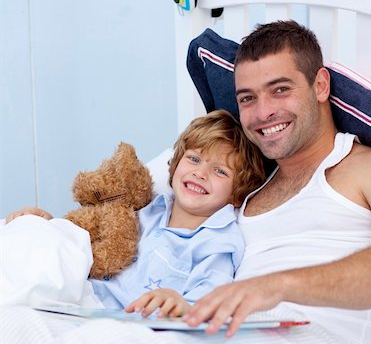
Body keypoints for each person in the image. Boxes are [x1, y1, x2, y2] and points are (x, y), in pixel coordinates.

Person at [1, 21, 371, 344]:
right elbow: (164, 229)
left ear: (320, 85)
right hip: (214, 329)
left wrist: (276, 287)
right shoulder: (244, 185)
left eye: (280, 90)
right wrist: (55, 231)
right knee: (15, 329)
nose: (263, 113)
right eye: (248, 98)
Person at [2, 109, 266, 317]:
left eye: (220, 171)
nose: (200, 173)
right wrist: (51, 226)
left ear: (237, 194)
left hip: (114, 316)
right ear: (174, 167)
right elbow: (88, 239)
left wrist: (182, 304)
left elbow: (214, 295)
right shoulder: (149, 211)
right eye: (194, 159)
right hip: (81, 295)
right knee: (29, 236)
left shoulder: (217, 241)